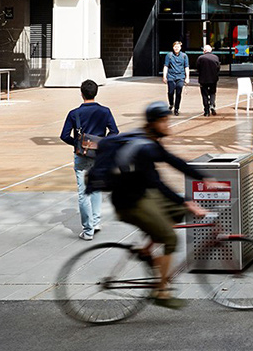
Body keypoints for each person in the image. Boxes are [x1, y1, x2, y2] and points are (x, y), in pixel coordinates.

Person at [112, 101, 208, 309]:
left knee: (178, 211)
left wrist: (203, 178)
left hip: (142, 194)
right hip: (130, 202)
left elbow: (174, 161)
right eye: (163, 121)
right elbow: (157, 184)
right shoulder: (145, 148)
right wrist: (186, 201)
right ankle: (162, 292)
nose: (167, 124)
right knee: (171, 238)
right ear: (153, 123)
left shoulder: (150, 142)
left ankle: (146, 251)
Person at [60, 80, 119, 240]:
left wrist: (77, 144)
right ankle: (96, 222)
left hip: (81, 156)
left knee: (83, 193)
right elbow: (114, 131)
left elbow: (64, 135)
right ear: (96, 92)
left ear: (81, 94)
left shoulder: (74, 113)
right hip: (98, 156)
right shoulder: (105, 111)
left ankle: (88, 230)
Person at [162, 41, 189, 116]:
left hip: (180, 77)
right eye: (175, 47)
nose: (176, 48)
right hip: (171, 76)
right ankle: (171, 103)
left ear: (180, 48)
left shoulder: (184, 56)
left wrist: (187, 77)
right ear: (173, 47)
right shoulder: (169, 55)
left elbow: (186, 67)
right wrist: (164, 76)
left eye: (178, 47)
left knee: (178, 92)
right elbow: (166, 66)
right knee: (170, 92)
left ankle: (176, 108)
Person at [196, 44, 221, 116]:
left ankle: (206, 110)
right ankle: (212, 104)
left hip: (203, 79)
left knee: (204, 95)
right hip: (213, 79)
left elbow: (197, 68)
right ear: (211, 50)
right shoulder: (215, 57)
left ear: (204, 51)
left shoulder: (200, 58)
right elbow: (218, 68)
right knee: (212, 92)